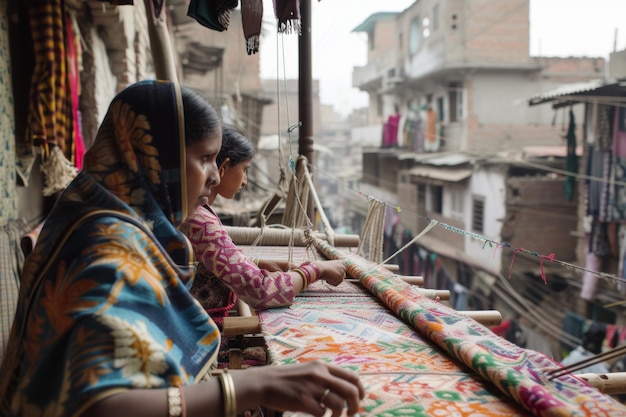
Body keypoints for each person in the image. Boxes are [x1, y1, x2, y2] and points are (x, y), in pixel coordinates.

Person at [0, 80, 364, 417]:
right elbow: (100, 406)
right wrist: (251, 386)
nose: (216, 176)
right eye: (205, 159)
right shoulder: (108, 253)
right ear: (157, 159)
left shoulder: (93, 214)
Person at [180, 123, 346, 327]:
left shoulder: (193, 212)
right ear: (222, 168)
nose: (245, 181)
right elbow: (261, 292)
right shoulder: (198, 220)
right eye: (245, 170)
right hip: (202, 341)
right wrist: (316, 269)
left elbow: (207, 260)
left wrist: (254, 263)